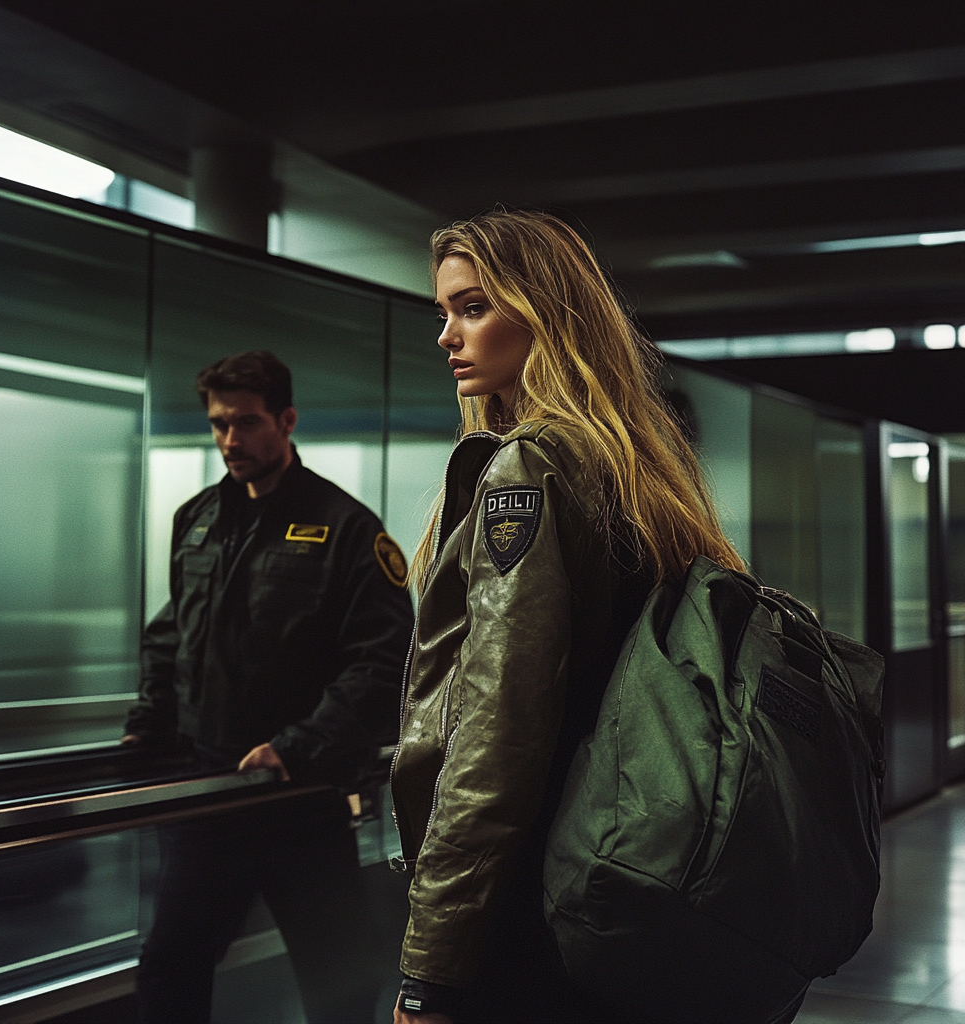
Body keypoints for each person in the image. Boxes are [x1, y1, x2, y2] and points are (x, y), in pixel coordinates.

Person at [389, 211, 746, 1024]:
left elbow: (497, 729)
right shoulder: (631, 464)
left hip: (526, 899)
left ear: (546, 311)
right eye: (444, 311)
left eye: (474, 307)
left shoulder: (528, 468)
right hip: (617, 876)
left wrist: (432, 967)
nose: (448, 335)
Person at [123, 349, 414, 1024]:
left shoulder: (346, 529)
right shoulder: (196, 520)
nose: (230, 440)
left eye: (247, 423)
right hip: (210, 793)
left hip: (300, 799)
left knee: (336, 978)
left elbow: (382, 662)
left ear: (286, 421)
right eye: (220, 423)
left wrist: (301, 745)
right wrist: (148, 721)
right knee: (168, 970)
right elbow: (173, 632)